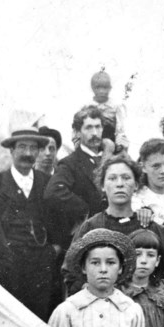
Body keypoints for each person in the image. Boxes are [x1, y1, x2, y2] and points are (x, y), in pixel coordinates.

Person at [61, 154, 164, 294]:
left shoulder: (148, 225)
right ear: (103, 186)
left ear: (136, 185)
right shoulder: (92, 226)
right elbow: (70, 272)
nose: (120, 184)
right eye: (112, 178)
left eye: (126, 178)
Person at [0, 128, 59, 320]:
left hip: (40, 274)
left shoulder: (48, 183)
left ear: (38, 152)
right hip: (5, 273)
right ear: (11, 151)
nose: (28, 153)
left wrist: (53, 251)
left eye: (33, 148)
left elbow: (61, 224)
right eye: (22, 147)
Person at [45, 105, 107, 256]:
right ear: (78, 132)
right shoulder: (70, 163)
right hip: (85, 239)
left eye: (98, 127)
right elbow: (53, 192)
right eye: (88, 128)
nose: (94, 133)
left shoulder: (110, 160)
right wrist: (86, 210)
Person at [88, 69, 129, 153]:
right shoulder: (88, 106)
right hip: (92, 139)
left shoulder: (115, 106)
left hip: (111, 140)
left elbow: (120, 128)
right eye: (98, 88)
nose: (101, 91)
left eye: (105, 88)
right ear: (92, 88)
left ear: (110, 88)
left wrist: (119, 143)